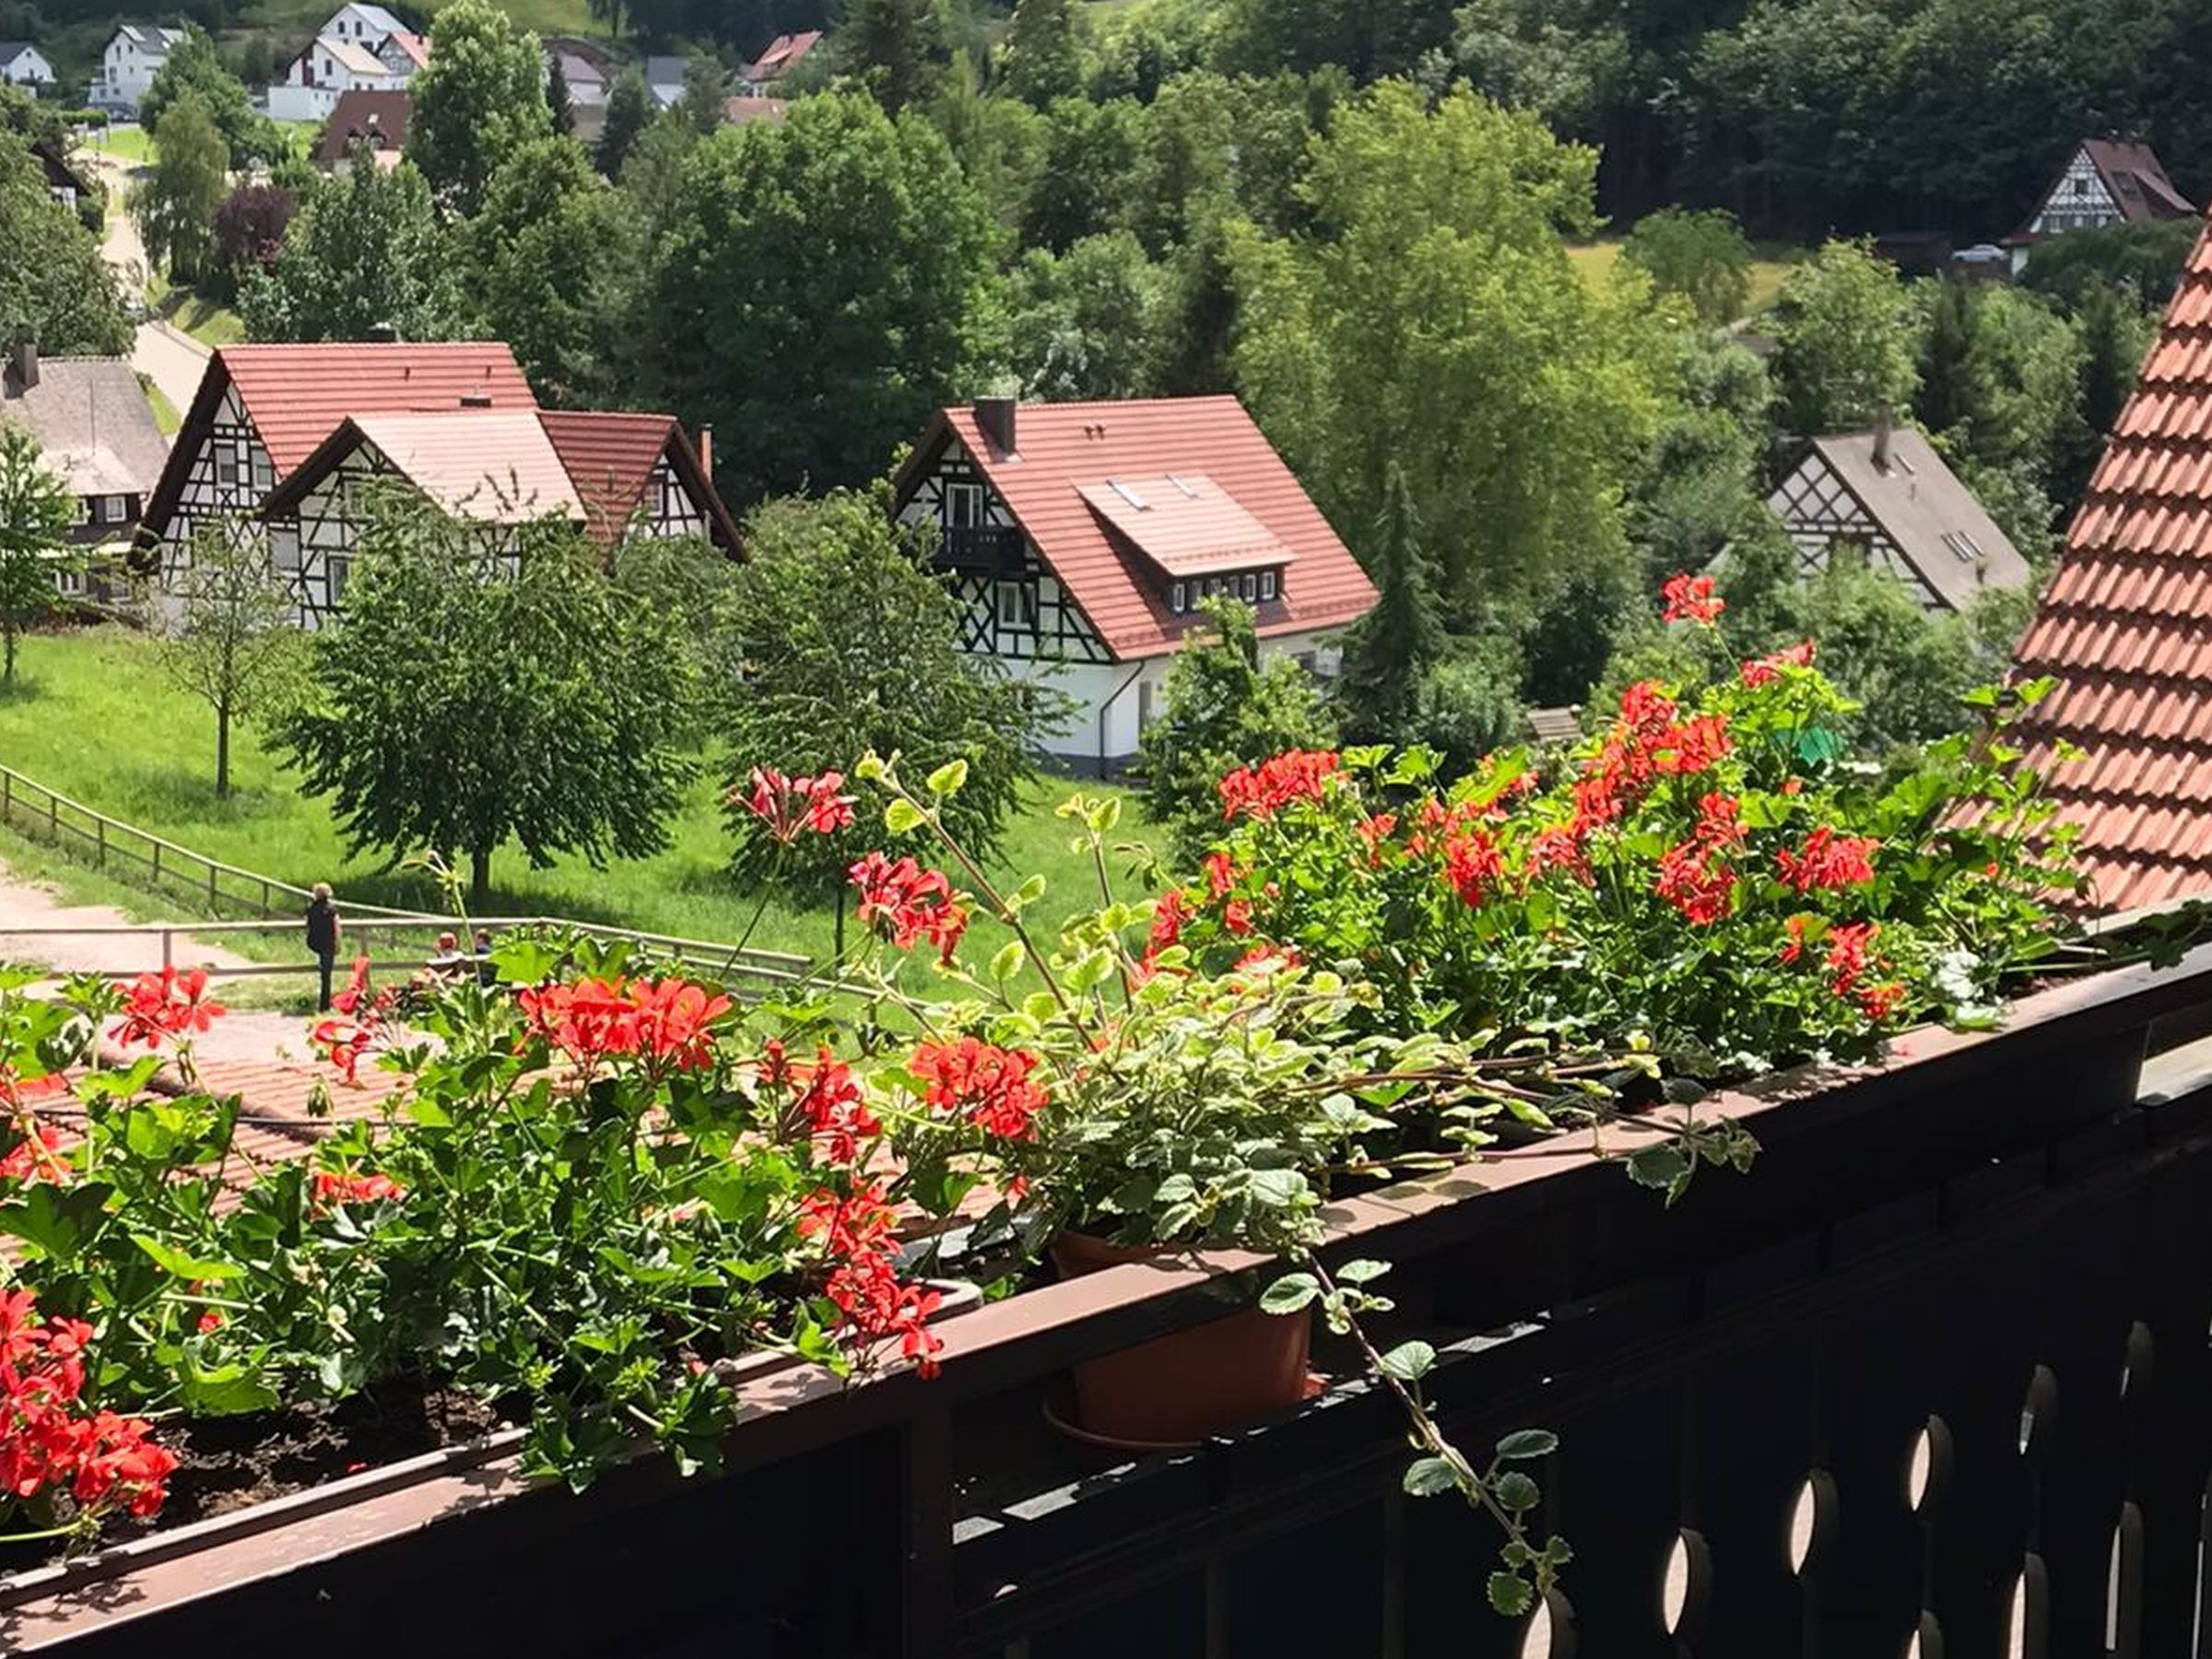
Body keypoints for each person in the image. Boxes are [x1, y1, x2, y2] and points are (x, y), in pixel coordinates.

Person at [304, 883, 341, 1011]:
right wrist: (338, 943)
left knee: (323, 972)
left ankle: (322, 1002)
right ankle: (324, 1004)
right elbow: (337, 927)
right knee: (326, 975)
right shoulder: (331, 909)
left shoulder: (310, 909)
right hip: (328, 944)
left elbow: (308, 924)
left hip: (315, 942)